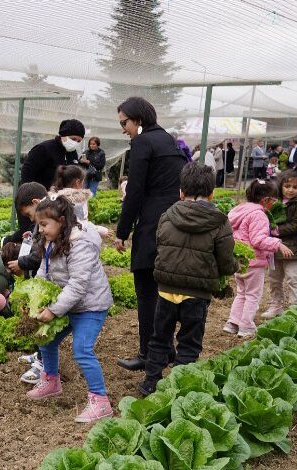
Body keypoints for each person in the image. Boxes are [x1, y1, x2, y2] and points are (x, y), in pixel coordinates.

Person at [139, 164, 237, 396]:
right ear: (212, 193)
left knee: (159, 338)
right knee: (189, 342)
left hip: (165, 290)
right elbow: (225, 261)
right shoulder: (220, 222)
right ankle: (179, 388)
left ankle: (150, 382)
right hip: (197, 293)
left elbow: (161, 245)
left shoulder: (167, 216)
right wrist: (234, 267)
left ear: (181, 192)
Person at [24, 196, 114, 424]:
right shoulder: (51, 241)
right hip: (68, 304)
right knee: (46, 339)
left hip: (90, 306)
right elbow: (44, 273)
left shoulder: (80, 243)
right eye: (39, 225)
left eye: (44, 225)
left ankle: (100, 401)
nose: (41, 230)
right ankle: (52, 381)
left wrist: (53, 311)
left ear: (62, 221)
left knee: (82, 349)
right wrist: (34, 299)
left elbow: (78, 285)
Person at [114, 96, 186, 371]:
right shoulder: (169, 140)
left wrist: (122, 231)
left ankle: (148, 353)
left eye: (125, 123)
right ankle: (166, 348)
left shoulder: (143, 143)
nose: (123, 129)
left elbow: (134, 191)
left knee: (146, 292)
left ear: (138, 120)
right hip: (173, 221)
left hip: (151, 225)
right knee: (165, 290)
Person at [224, 179, 294, 338]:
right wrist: (278, 244)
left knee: (242, 292)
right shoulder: (258, 215)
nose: (274, 202)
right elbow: (258, 240)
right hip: (253, 262)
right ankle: (246, 326)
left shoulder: (241, 210)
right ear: (265, 200)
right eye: (273, 199)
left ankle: (233, 322)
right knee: (252, 295)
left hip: (239, 260)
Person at [9, 119, 84, 243]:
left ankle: (38, 259)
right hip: (34, 200)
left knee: (48, 234)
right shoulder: (44, 149)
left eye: (79, 141)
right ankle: (8, 244)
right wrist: (30, 197)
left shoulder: (72, 154)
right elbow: (27, 171)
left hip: (55, 203)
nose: (75, 143)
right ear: (63, 135)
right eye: (73, 138)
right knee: (28, 232)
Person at [5, 182, 48, 383]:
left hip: (48, 279)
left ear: (36, 202)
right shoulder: (43, 221)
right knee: (36, 316)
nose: (32, 220)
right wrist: (29, 239)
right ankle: (39, 355)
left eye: (30, 215)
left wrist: (21, 261)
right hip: (40, 277)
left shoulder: (50, 220)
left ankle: (43, 364)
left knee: (43, 321)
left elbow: (41, 254)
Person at [263, 167, 297, 318]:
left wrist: (277, 230)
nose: (291, 190)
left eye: (295, 187)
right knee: (274, 278)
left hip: (294, 248)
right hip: (275, 246)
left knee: (293, 277)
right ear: (281, 186)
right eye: (287, 186)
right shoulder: (273, 201)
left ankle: (295, 308)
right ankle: (275, 305)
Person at [50, 165, 111, 238]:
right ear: (78, 182)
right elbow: (81, 224)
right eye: (83, 181)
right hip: (76, 240)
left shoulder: (54, 198)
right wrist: (101, 230)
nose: (84, 184)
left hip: (58, 239)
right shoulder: (78, 201)